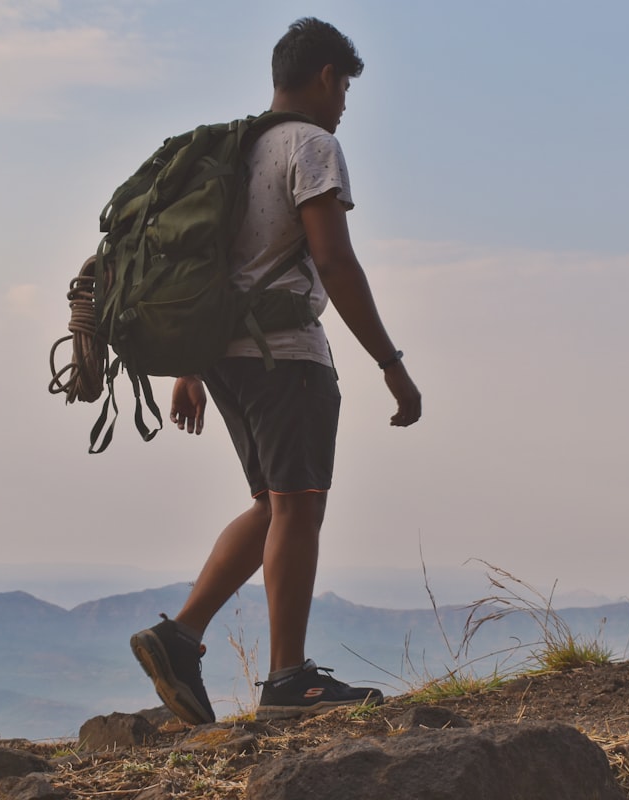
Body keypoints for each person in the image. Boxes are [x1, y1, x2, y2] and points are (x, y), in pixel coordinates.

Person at [130, 17, 422, 725]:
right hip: (284, 355)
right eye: (346, 86)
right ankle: (289, 679)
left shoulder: (234, 151)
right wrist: (391, 363)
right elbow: (334, 262)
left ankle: (179, 635)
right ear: (325, 77)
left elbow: (209, 266)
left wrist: (192, 363)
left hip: (225, 356)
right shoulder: (313, 146)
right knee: (300, 506)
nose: (346, 102)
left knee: (273, 502)